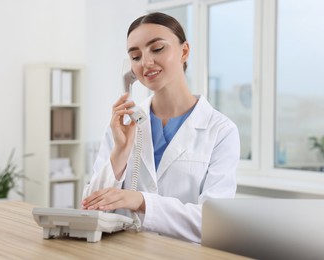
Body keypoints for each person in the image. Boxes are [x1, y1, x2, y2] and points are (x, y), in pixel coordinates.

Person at [81, 12, 240, 243]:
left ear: (184, 51)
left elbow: (213, 224)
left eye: (157, 49)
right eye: (135, 56)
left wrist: (142, 201)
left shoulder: (221, 131)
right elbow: (91, 209)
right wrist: (120, 152)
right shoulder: (123, 125)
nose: (145, 63)